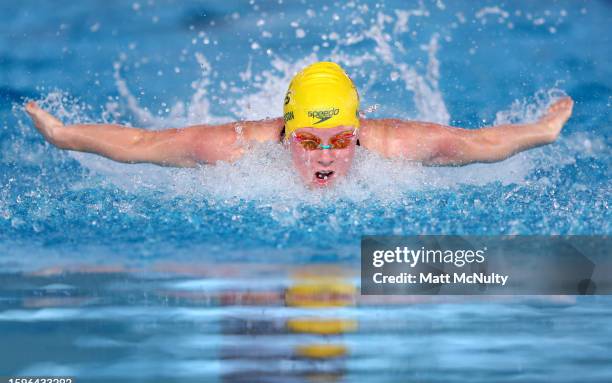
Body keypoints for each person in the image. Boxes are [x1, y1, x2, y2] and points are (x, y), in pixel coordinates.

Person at [25, 61, 574, 188]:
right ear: (287, 133)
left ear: (358, 131)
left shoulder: (401, 145)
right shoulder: (232, 149)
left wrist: (541, 132)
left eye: (339, 141)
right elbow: (141, 144)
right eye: (309, 142)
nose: (327, 157)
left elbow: (479, 144)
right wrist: (63, 134)